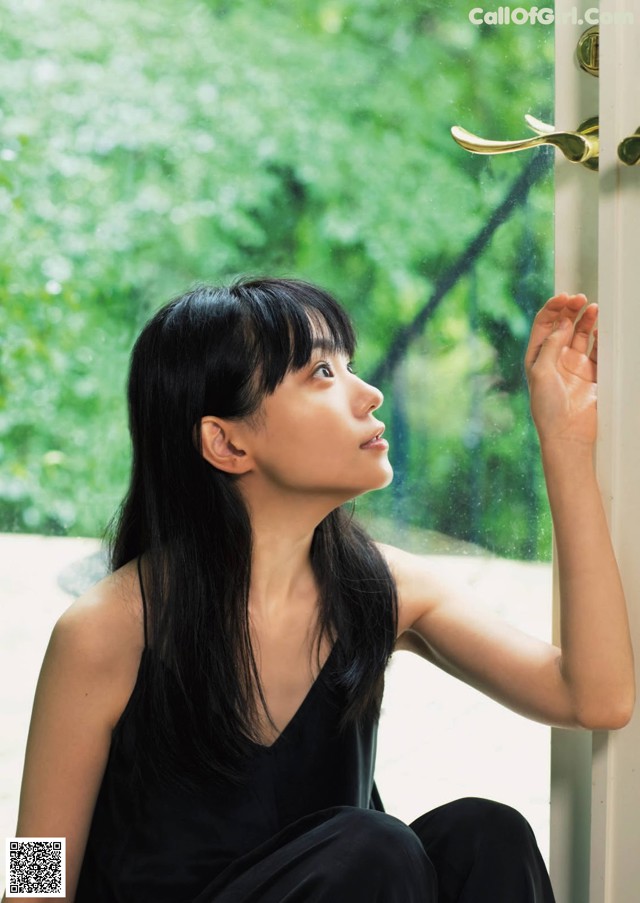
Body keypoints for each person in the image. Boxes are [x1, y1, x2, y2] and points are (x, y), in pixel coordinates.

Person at [7, 278, 634, 902]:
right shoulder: (108, 628)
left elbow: (595, 699)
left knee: (485, 836)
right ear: (227, 442)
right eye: (322, 373)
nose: (369, 394)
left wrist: (567, 442)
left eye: (349, 365)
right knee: (372, 849)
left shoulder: (380, 589)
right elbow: (34, 869)